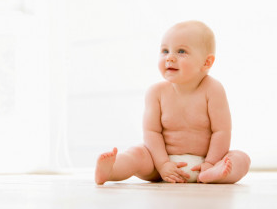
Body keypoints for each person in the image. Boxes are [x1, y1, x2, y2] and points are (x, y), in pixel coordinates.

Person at [95, 20, 251, 185]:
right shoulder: (156, 92)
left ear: (206, 63)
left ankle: (215, 173)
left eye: (181, 51)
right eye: (164, 51)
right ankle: (112, 170)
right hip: (161, 163)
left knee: (241, 158)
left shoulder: (213, 89)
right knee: (137, 154)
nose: (169, 57)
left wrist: (211, 162)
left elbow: (221, 131)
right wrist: (163, 164)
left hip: (206, 162)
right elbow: (151, 132)